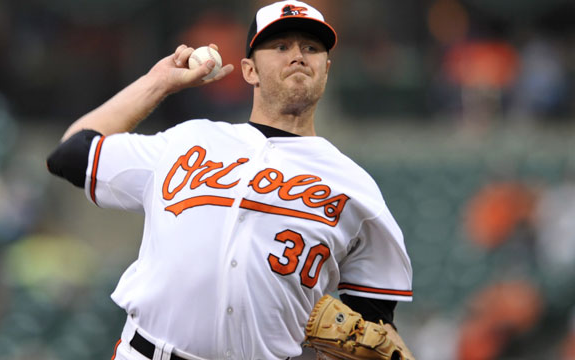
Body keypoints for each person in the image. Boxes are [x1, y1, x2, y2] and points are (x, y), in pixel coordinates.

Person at [47, 1, 413, 359]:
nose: (298, 55)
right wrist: (157, 83)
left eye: (311, 47)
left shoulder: (355, 186)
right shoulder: (188, 141)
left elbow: (374, 322)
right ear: (249, 70)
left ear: (326, 69)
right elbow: (70, 154)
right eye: (281, 46)